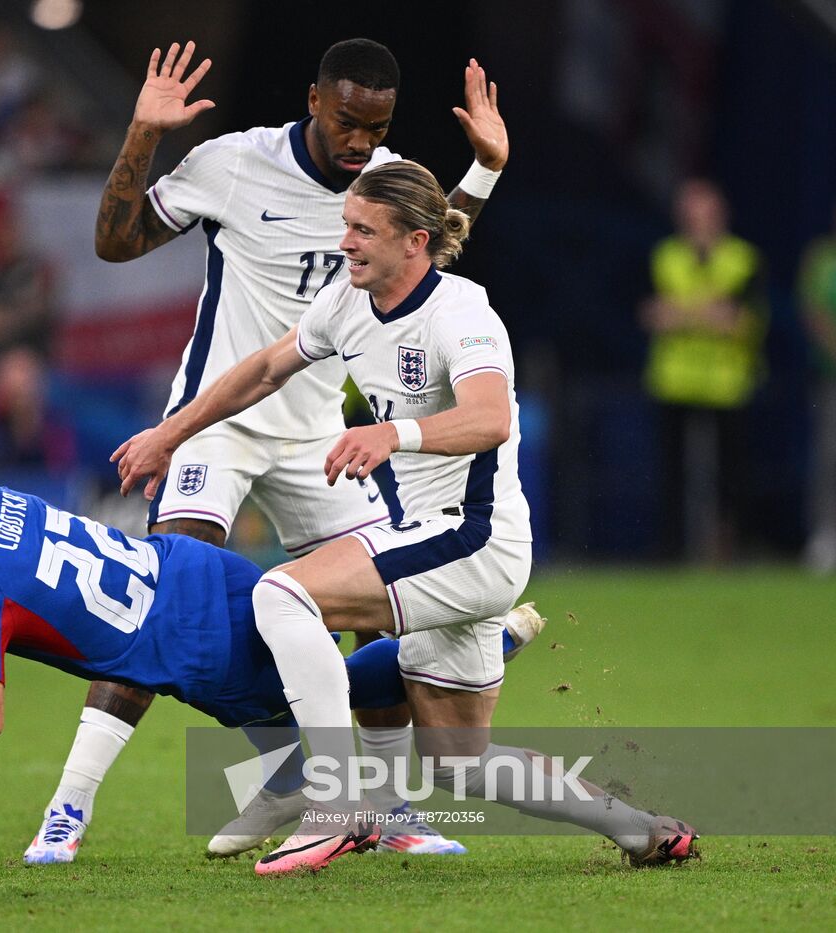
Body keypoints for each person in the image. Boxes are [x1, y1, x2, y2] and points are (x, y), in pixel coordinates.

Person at [114, 161, 696, 875]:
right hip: (439, 545)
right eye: (346, 225)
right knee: (460, 763)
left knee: (282, 593)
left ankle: (332, 799)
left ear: (414, 241)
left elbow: (489, 417)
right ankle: (640, 829)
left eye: (363, 230)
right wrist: (171, 432)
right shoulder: (347, 301)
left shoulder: (463, 314)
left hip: (472, 536)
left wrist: (395, 434)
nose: (346, 242)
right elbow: (264, 369)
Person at [28, 36, 516, 865]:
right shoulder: (233, 164)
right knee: (163, 598)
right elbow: (117, 241)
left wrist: (489, 168)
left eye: (379, 125)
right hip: (218, 418)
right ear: (315, 100)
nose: (362, 142)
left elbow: (433, 242)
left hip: (321, 435)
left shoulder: (383, 184)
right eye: (350, 121)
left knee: (373, 608)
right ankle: (67, 810)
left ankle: (385, 806)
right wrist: (142, 134)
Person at [0, 434, 555, 863]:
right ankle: (297, 780)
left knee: (338, 684)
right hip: (192, 569)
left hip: (193, 649)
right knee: (314, 680)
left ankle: (484, 637)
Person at [639, 179, 766, 562]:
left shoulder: (743, 258)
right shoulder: (665, 255)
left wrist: (682, 314)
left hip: (726, 383)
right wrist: (709, 314)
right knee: (672, 475)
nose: (697, 222)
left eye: (703, 213)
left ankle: (729, 547)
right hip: (674, 380)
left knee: (731, 476)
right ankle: (673, 551)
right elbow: (651, 314)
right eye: (690, 214)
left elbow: (743, 321)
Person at [798, 202, 836, 574]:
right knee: (829, 457)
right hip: (832, 374)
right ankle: (827, 535)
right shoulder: (822, 259)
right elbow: (813, 311)